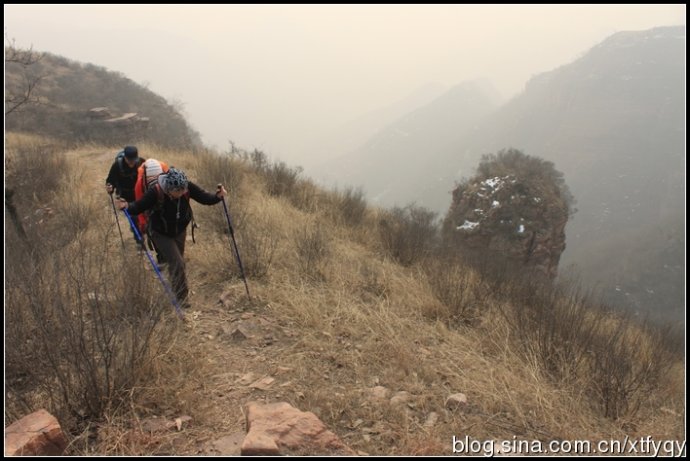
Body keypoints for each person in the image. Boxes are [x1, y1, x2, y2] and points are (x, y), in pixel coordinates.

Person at [116, 167, 227, 309]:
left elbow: (204, 198)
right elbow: (138, 206)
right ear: (168, 189)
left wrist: (218, 197)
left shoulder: (186, 187)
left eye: (183, 191)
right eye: (177, 191)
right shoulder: (155, 192)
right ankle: (182, 300)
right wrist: (126, 206)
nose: (181, 194)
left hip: (179, 230)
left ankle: (174, 285)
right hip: (160, 232)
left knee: (176, 264)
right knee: (178, 263)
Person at [106, 146, 146, 245]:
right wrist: (110, 188)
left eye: (134, 160)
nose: (132, 163)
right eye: (130, 160)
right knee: (134, 219)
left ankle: (141, 231)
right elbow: (110, 181)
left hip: (140, 195)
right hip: (125, 197)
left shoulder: (141, 162)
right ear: (125, 157)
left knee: (144, 218)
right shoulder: (117, 166)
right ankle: (140, 242)